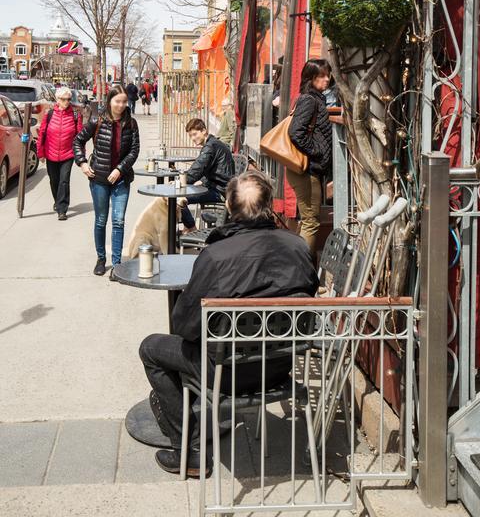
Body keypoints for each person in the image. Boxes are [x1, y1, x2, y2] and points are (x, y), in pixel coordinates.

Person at [139, 171, 318, 477]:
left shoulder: (216, 256)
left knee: (151, 348)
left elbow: (183, 326)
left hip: (226, 373)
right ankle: (190, 417)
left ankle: (188, 449)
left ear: (229, 206)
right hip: (278, 365)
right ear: (268, 205)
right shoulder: (299, 247)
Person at [73, 84, 140, 278]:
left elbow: (134, 150)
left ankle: (117, 265)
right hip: (99, 179)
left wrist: (120, 169)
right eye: (117, 101)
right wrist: (83, 163)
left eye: (124, 102)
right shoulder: (97, 120)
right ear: (110, 101)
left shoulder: (131, 123)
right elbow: (78, 141)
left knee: (118, 221)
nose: (121, 105)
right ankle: (101, 258)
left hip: (121, 180)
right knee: (101, 220)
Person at [287, 60, 333, 256]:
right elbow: (295, 132)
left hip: (308, 169)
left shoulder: (315, 98)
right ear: (311, 78)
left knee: (307, 221)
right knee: (311, 222)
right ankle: (303, 274)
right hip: (307, 170)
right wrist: (317, 151)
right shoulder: (309, 100)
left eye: (327, 74)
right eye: (321, 75)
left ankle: (296, 266)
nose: (327, 79)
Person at [180, 118, 235, 233]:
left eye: (195, 134)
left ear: (204, 131)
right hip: (220, 188)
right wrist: (203, 181)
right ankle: (187, 227)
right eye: (191, 136)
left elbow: (197, 169)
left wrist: (181, 181)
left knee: (179, 199)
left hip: (220, 192)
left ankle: (191, 228)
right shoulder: (213, 143)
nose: (193, 138)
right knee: (184, 193)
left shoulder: (210, 147)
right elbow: (215, 169)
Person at [37, 86, 83, 221]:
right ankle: (57, 201)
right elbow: (42, 134)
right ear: (57, 100)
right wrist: (40, 153)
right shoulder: (49, 114)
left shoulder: (75, 115)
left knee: (64, 181)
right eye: (63, 99)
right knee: (54, 181)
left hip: (68, 154)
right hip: (50, 153)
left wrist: (81, 157)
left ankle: (62, 209)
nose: (66, 102)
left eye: (68, 99)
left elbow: (80, 137)